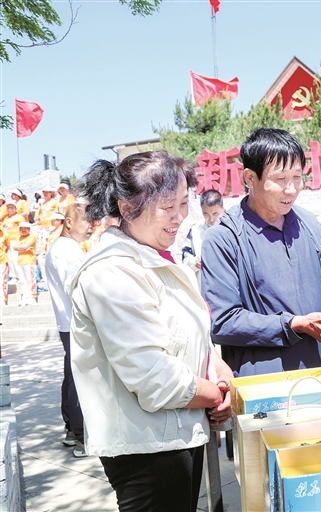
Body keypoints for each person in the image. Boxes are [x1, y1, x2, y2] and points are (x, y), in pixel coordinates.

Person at [68, 152, 233, 511]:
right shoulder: (111, 273)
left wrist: (220, 372)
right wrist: (216, 394)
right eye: (167, 207)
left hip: (179, 435)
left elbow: (194, 337)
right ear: (128, 209)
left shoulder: (157, 260)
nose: (179, 216)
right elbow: (153, 375)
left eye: (183, 203)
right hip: (147, 451)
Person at [201, 128, 321, 377]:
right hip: (266, 386)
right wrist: (293, 325)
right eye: (280, 179)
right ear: (250, 178)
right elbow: (223, 322)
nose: (291, 189)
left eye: (297, 177)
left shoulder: (307, 223)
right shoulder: (223, 238)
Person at [45, 204, 93, 457]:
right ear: (69, 222)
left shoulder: (65, 247)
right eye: (86, 221)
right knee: (79, 377)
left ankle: (72, 429)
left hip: (70, 322)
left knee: (72, 375)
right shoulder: (65, 250)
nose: (91, 226)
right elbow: (76, 289)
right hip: (75, 321)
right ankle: (81, 436)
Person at [181, 189, 225, 287]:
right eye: (206, 214)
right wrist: (194, 263)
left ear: (222, 207)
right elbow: (184, 260)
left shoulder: (232, 228)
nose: (211, 219)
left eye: (215, 214)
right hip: (204, 288)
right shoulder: (194, 231)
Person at [13, 222, 37, 306]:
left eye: (25, 228)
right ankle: (25, 296)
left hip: (29, 260)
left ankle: (32, 297)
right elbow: (14, 247)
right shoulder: (18, 237)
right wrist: (23, 249)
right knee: (23, 280)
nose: (23, 230)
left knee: (30, 279)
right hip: (20, 261)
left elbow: (24, 246)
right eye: (21, 228)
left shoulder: (32, 237)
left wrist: (20, 248)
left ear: (29, 229)